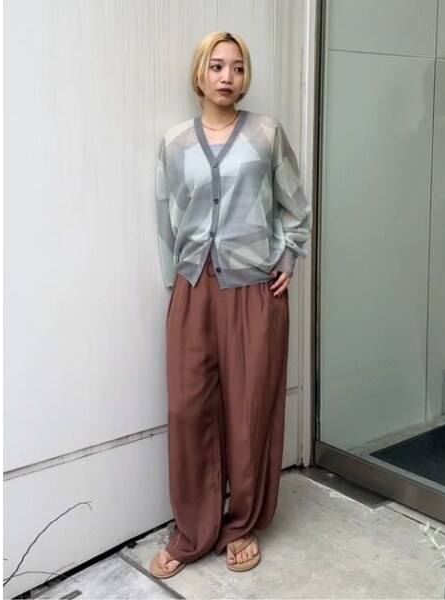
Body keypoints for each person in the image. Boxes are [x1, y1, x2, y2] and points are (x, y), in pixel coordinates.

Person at [151, 31, 311, 578]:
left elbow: (296, 206)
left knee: (248, 410)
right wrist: (175, 284)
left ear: (246, 78)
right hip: (193, 288)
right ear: (199, 74)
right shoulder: (175, 142)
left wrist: (288, 257)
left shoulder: (266, 134)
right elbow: (166, 216)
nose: (227, 76)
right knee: (187, 409)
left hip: (255, 290)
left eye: (237, 67)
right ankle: (193, 529)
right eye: (217, 66)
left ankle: (240, 523)